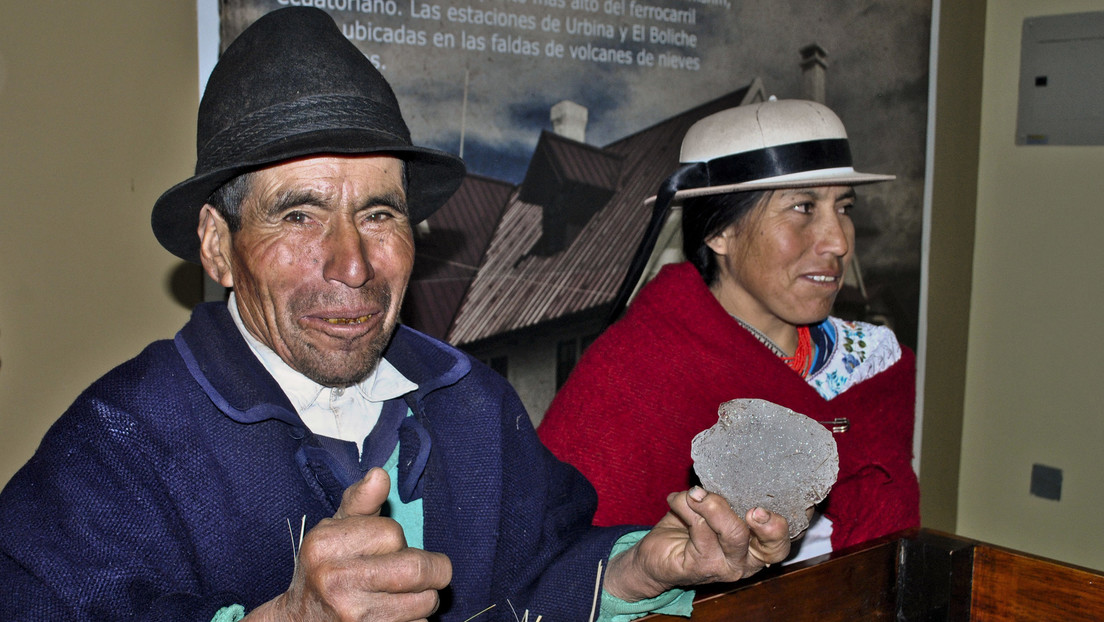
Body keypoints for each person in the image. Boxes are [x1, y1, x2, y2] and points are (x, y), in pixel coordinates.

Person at [0, 7, 794, 622]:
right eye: (299, 215)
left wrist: (642, 568)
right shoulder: (117, 445)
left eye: (380, 214)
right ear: (216, 246)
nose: (353, 264)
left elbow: (541, 568)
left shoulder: (474, 406)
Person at [539, 98, 921, 561]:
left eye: (844, 207)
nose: (839, 241)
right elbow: (567, 562)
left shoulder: (871, 363)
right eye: (803, 207)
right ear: (719, 232)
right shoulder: (635, 373)